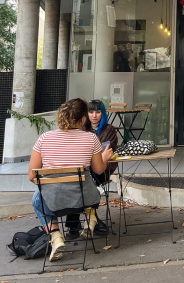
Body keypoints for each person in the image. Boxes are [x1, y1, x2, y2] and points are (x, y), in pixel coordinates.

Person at [27, 98, 115, 261]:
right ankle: (90, 217)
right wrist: (104, 156)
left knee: (37, 200)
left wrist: (48, 187)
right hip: (83, 198)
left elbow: (32, 175)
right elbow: (99, 170)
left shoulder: (44, 139)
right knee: (90, 190)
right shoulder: (91, 139)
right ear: (83, 118)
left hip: (54, 200)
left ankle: (56, 236)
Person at [64, 99, 119, 239]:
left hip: (102, 169)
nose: (94, 115)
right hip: (84, 169)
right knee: (79, 181)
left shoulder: (109, 130)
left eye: (98, 112)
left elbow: (105, 153)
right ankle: (89, 220)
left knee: (81, 180)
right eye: (91, 112)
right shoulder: (82, 129)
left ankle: (75, 224)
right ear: (86, 114)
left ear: (103, 113)